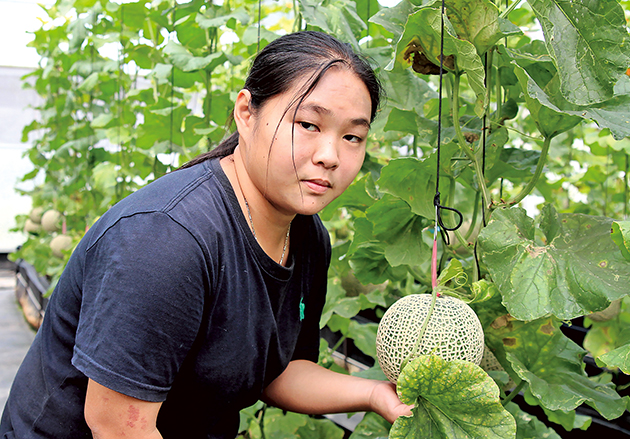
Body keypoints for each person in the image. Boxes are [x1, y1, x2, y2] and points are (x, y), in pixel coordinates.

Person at [0, 31, 412, 438]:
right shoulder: (167, 238)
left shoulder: (307, 236)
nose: (330, 156)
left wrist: (375, 393)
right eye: (307, 124)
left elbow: (279, 371)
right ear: (246, 112)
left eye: (352, 137)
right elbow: (117, 428)